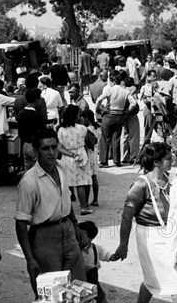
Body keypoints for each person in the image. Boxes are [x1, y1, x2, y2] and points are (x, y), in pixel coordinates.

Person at [112, 142, 177, 303]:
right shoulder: (141, 185)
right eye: (168, 158)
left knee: (151, 281)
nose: (173, 160)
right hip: (151, 239)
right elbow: (127, 217)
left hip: (169, 236)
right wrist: (123, 245)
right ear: (156, 162)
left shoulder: (170, 180)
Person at [15, 128, 86, 299]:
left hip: (68, 231)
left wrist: (75, 225)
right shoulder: (29, 182)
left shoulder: (61, 168)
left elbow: (66, 199)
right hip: (43, 237)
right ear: (36, 151)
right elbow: (20, 223)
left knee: (77, 287)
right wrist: (29, 259)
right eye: (46, 148)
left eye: (54, 147)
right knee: (51, 290)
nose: (52, 152)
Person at [95, 74, 137, 167]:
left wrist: (99, 108)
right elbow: (133, 103)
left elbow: (99, 99)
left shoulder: (110, 90)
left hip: (109, 115)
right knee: (116, 138)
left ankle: (104, 161)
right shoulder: (125, 91)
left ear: (113, 81)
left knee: (105, 138)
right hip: (119, 116)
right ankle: (117, 161)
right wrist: (126, 111)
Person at [58, 105, 93, 214]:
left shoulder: (61, 130)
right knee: (82, 183)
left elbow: (59, 148)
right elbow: (88, 142)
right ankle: (84, 206)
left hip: (67, 157)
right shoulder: (82, 128)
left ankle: (66, 209)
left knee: (68, 184)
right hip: (81, 154)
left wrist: (71, 154)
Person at [78, 221, 112, 303]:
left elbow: (109, 257)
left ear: (91, 238)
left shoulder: (96, 249)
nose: (77, 238)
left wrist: (119, 254)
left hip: (93, 281)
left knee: (101, 299)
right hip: (78, 280)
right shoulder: (74, 250)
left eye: (81, 236)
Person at [16, 88, 46, 170]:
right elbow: (42, 132)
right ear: (36, 100)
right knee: (38, 170)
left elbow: (20, 132)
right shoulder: (37, 116)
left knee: (27, 170)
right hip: (35, 146)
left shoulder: (20, 114)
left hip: (25, 145)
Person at [80, 109, 100, 207]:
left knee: (87, 179)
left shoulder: (87, 130)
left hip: (88, 154)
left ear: (87, 118)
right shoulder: (96, 128)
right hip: (95, 155)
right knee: (94, 177)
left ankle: (86, 201)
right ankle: (95, 199)